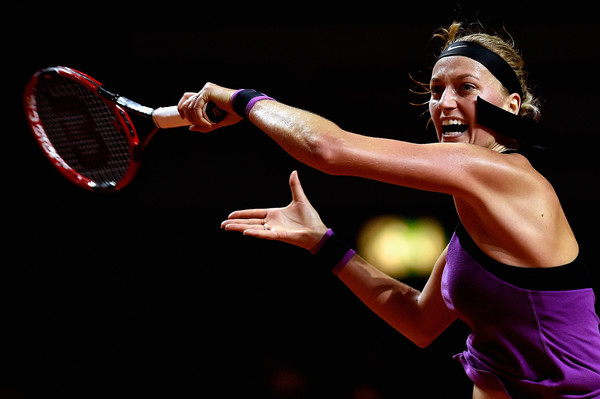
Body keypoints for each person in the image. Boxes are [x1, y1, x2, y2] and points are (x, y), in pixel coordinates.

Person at [178, 22, 600, 398]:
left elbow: (329, 149)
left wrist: (240, 99)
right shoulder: (475, 219)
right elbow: (418, 321)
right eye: (436, 91)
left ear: (510, 107)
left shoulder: (503, 175)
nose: (444, 103)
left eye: (466, 88)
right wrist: (323, 243)